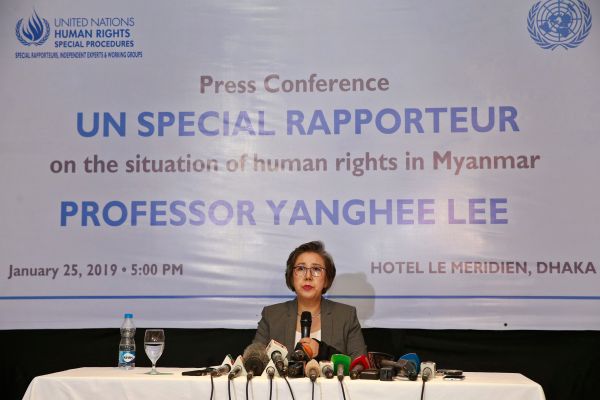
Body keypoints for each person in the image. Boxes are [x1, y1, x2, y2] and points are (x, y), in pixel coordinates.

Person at [253, 240, 367, 360]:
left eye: (316, 269)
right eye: (301, 268)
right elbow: (254, 361)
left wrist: (325, 352)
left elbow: (360, 366)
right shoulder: (272, 315)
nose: (308, 276)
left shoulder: (345, 316)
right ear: (291, 277)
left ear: (327, 280)